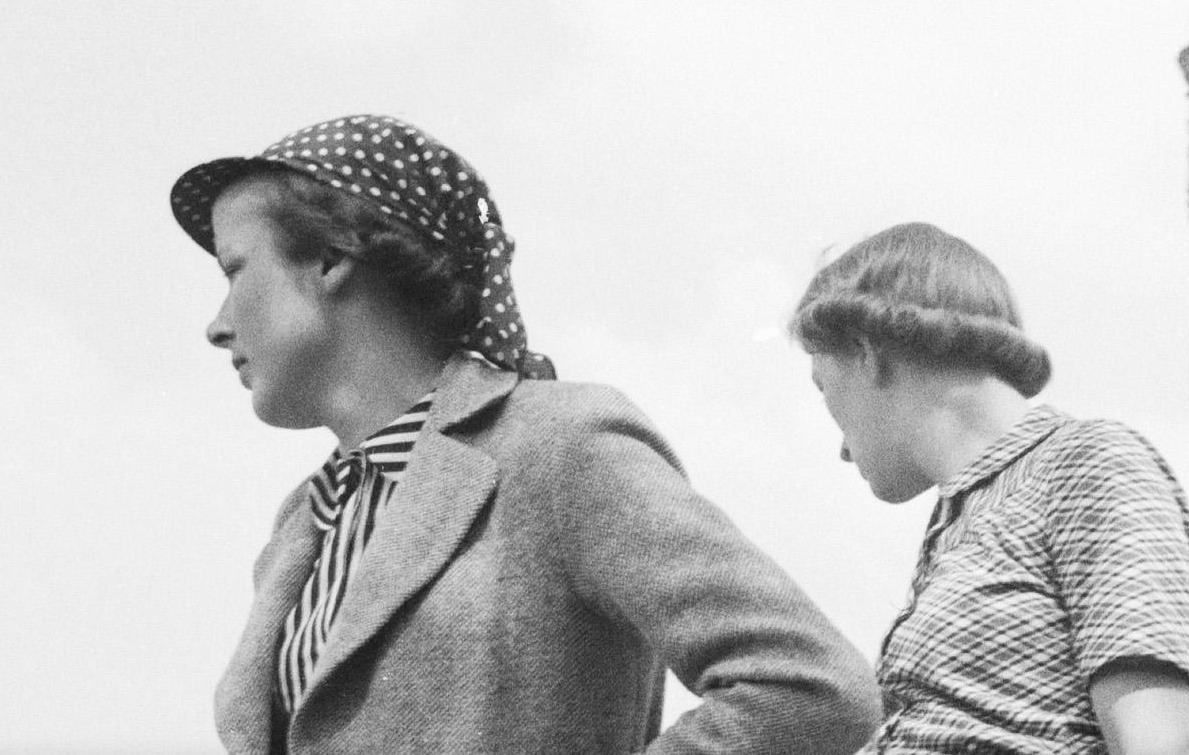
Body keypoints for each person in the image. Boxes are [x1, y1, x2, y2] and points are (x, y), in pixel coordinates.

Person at [169, 114, 881, 755]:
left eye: (235, 269)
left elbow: (811, 689)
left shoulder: (557, 446)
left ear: (329, 259)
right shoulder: (305, 521)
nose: (217, 323)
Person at [790, 222, 1189, 755]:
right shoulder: (963, 521)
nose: (842, 449)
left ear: (867, 354)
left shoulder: (1087, 462)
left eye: (826, 389)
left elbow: (1159, 744)